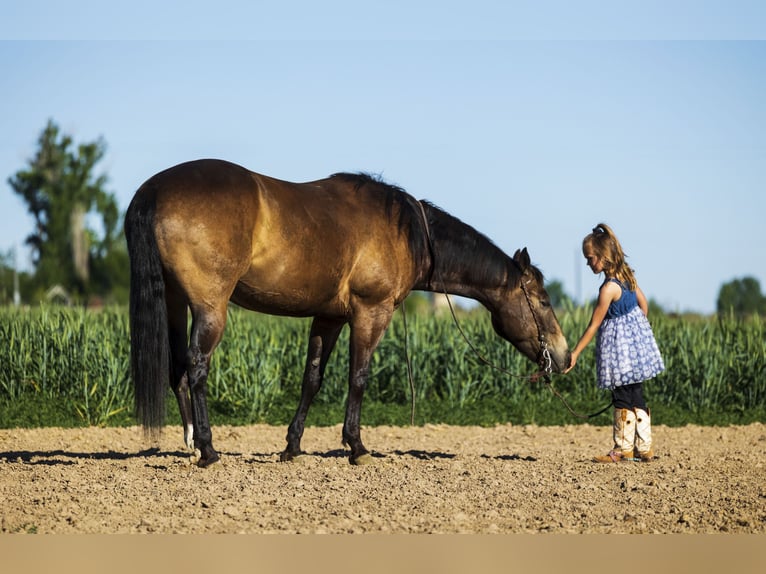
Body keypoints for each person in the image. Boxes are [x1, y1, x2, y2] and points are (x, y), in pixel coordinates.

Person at [566, 223, 664, 463]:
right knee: (636, 393)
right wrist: (635, 332)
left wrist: (576, 352)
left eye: (590, 258)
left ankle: (621, 449)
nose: (588, 263)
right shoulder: (628, 277)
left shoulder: (608, 289)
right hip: (634, 350)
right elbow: (644, 306)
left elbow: (593, 325)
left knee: (621, 395)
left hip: (617, 351)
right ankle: (644, 448)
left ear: (602, 256)